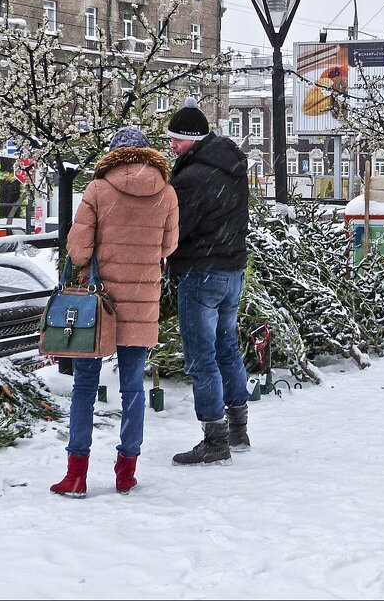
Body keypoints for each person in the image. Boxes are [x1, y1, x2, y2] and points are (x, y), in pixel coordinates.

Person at [50, 127, 179, 497]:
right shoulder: (167, 193)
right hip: (142, 300)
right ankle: (126, 472)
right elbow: (168, 246)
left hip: (97, 305)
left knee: (84, 387)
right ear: (146, 154)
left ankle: (76, 475)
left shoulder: (97, 189)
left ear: (113, 154)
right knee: (133, 389)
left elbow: (77, 252)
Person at [166, 98, 251, 466]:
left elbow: (176, 231)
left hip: (201, 273)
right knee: (227, 349)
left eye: (176, 140)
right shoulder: (231, 165)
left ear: (192, 139)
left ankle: (215, 439)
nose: (172, 146)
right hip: (232, 271)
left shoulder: (193, 177)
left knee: (202, 358)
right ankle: (238, 428)